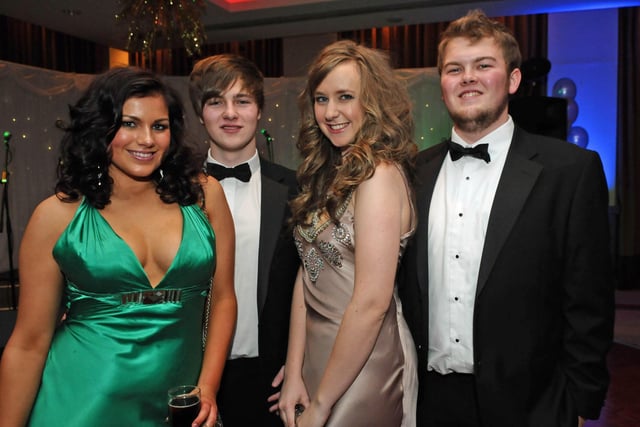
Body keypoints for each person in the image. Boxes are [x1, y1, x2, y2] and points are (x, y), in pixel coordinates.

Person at [398, 9, 615, 427]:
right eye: (454, 69)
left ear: (513, 80)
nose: (468, 78)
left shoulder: (569, 170)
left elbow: (590, 300)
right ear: (442, 84)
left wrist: (580, 403)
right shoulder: (411, 173)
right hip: (428, 403)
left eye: (484, 65)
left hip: (532, 403)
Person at [0, 67, 237, 427]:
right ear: (101, 128)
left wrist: (208, 385)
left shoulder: (205, 196)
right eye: (129, 124)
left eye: (159, 126)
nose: (147, 140)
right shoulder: (56, 216)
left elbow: (222, 299)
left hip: (177, 403)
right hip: (82, 403)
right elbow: (29, 342)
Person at [276, 39, 419, 427]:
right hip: (318, 358)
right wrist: (294, 369)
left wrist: (321, 405)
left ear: (371, 103)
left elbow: (372, 304)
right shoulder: (326, 173)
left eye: (345, 97)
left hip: (365, 363)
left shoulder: (380, 176)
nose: (331, 112)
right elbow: (307, 274)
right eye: (321, 99)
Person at [188, 54, 299, 427]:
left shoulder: (296, 189)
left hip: (273, 379)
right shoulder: (173, 192)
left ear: (260, 110)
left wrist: (300, 364)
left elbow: (313, 287)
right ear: (200, 114)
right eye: (216, 101)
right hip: (190, 373)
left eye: (243, 101)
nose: (230, 113)